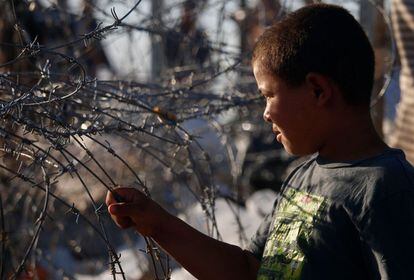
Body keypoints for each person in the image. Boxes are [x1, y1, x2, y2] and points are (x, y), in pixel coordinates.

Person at [106, 4, 414, 279]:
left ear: (318, 91)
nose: (265, 114)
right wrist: (157, 223)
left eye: (268, 95)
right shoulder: (304, 177)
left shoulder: (385, 189)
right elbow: (249, 270)